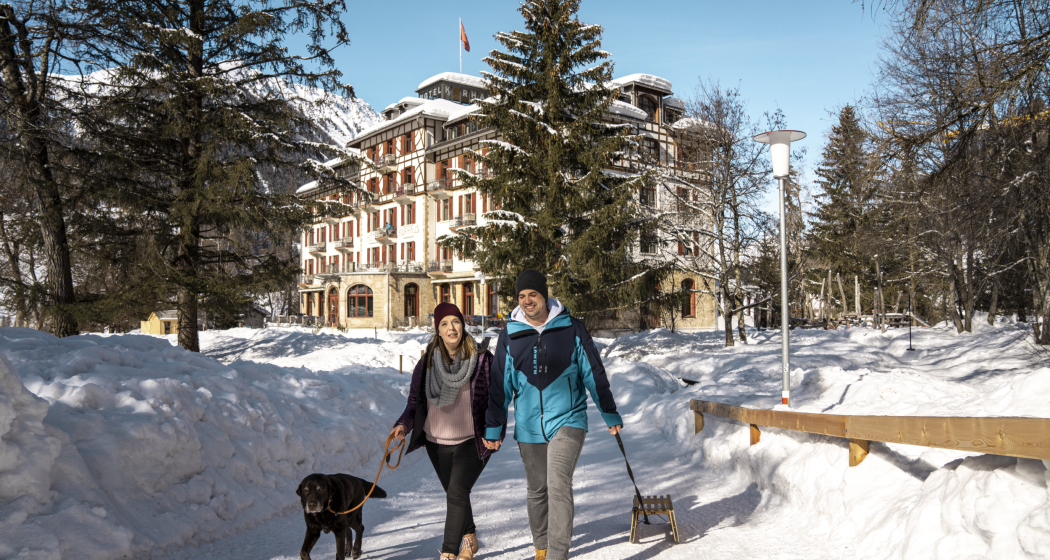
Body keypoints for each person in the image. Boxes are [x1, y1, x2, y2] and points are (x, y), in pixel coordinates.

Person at [483, 270, 623, 560]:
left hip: (569, 418)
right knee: (537, 489)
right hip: (529, 425)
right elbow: (500, 384)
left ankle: (558, 556)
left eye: (532, 295)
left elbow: (593, 372)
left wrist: (609, 412)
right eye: (521, 296)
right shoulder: (510, 334)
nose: (527, 301)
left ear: (544, 295)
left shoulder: (571, 328)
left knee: (558, 484)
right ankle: (542, 548)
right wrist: (493, 427)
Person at [390, 302, 502, 560]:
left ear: (462, 325)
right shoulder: (427, 361)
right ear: (437, 330)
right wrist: (403, 425)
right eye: (444, 323)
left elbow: (498, 399)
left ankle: (449, 553)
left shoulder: (482, 358)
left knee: (457, 492)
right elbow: (414, 403)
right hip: (436, 443)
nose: (451, 328)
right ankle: (469, 535)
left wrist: (495, 431)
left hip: (473, 441)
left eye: (455, 321)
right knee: (457, 493)